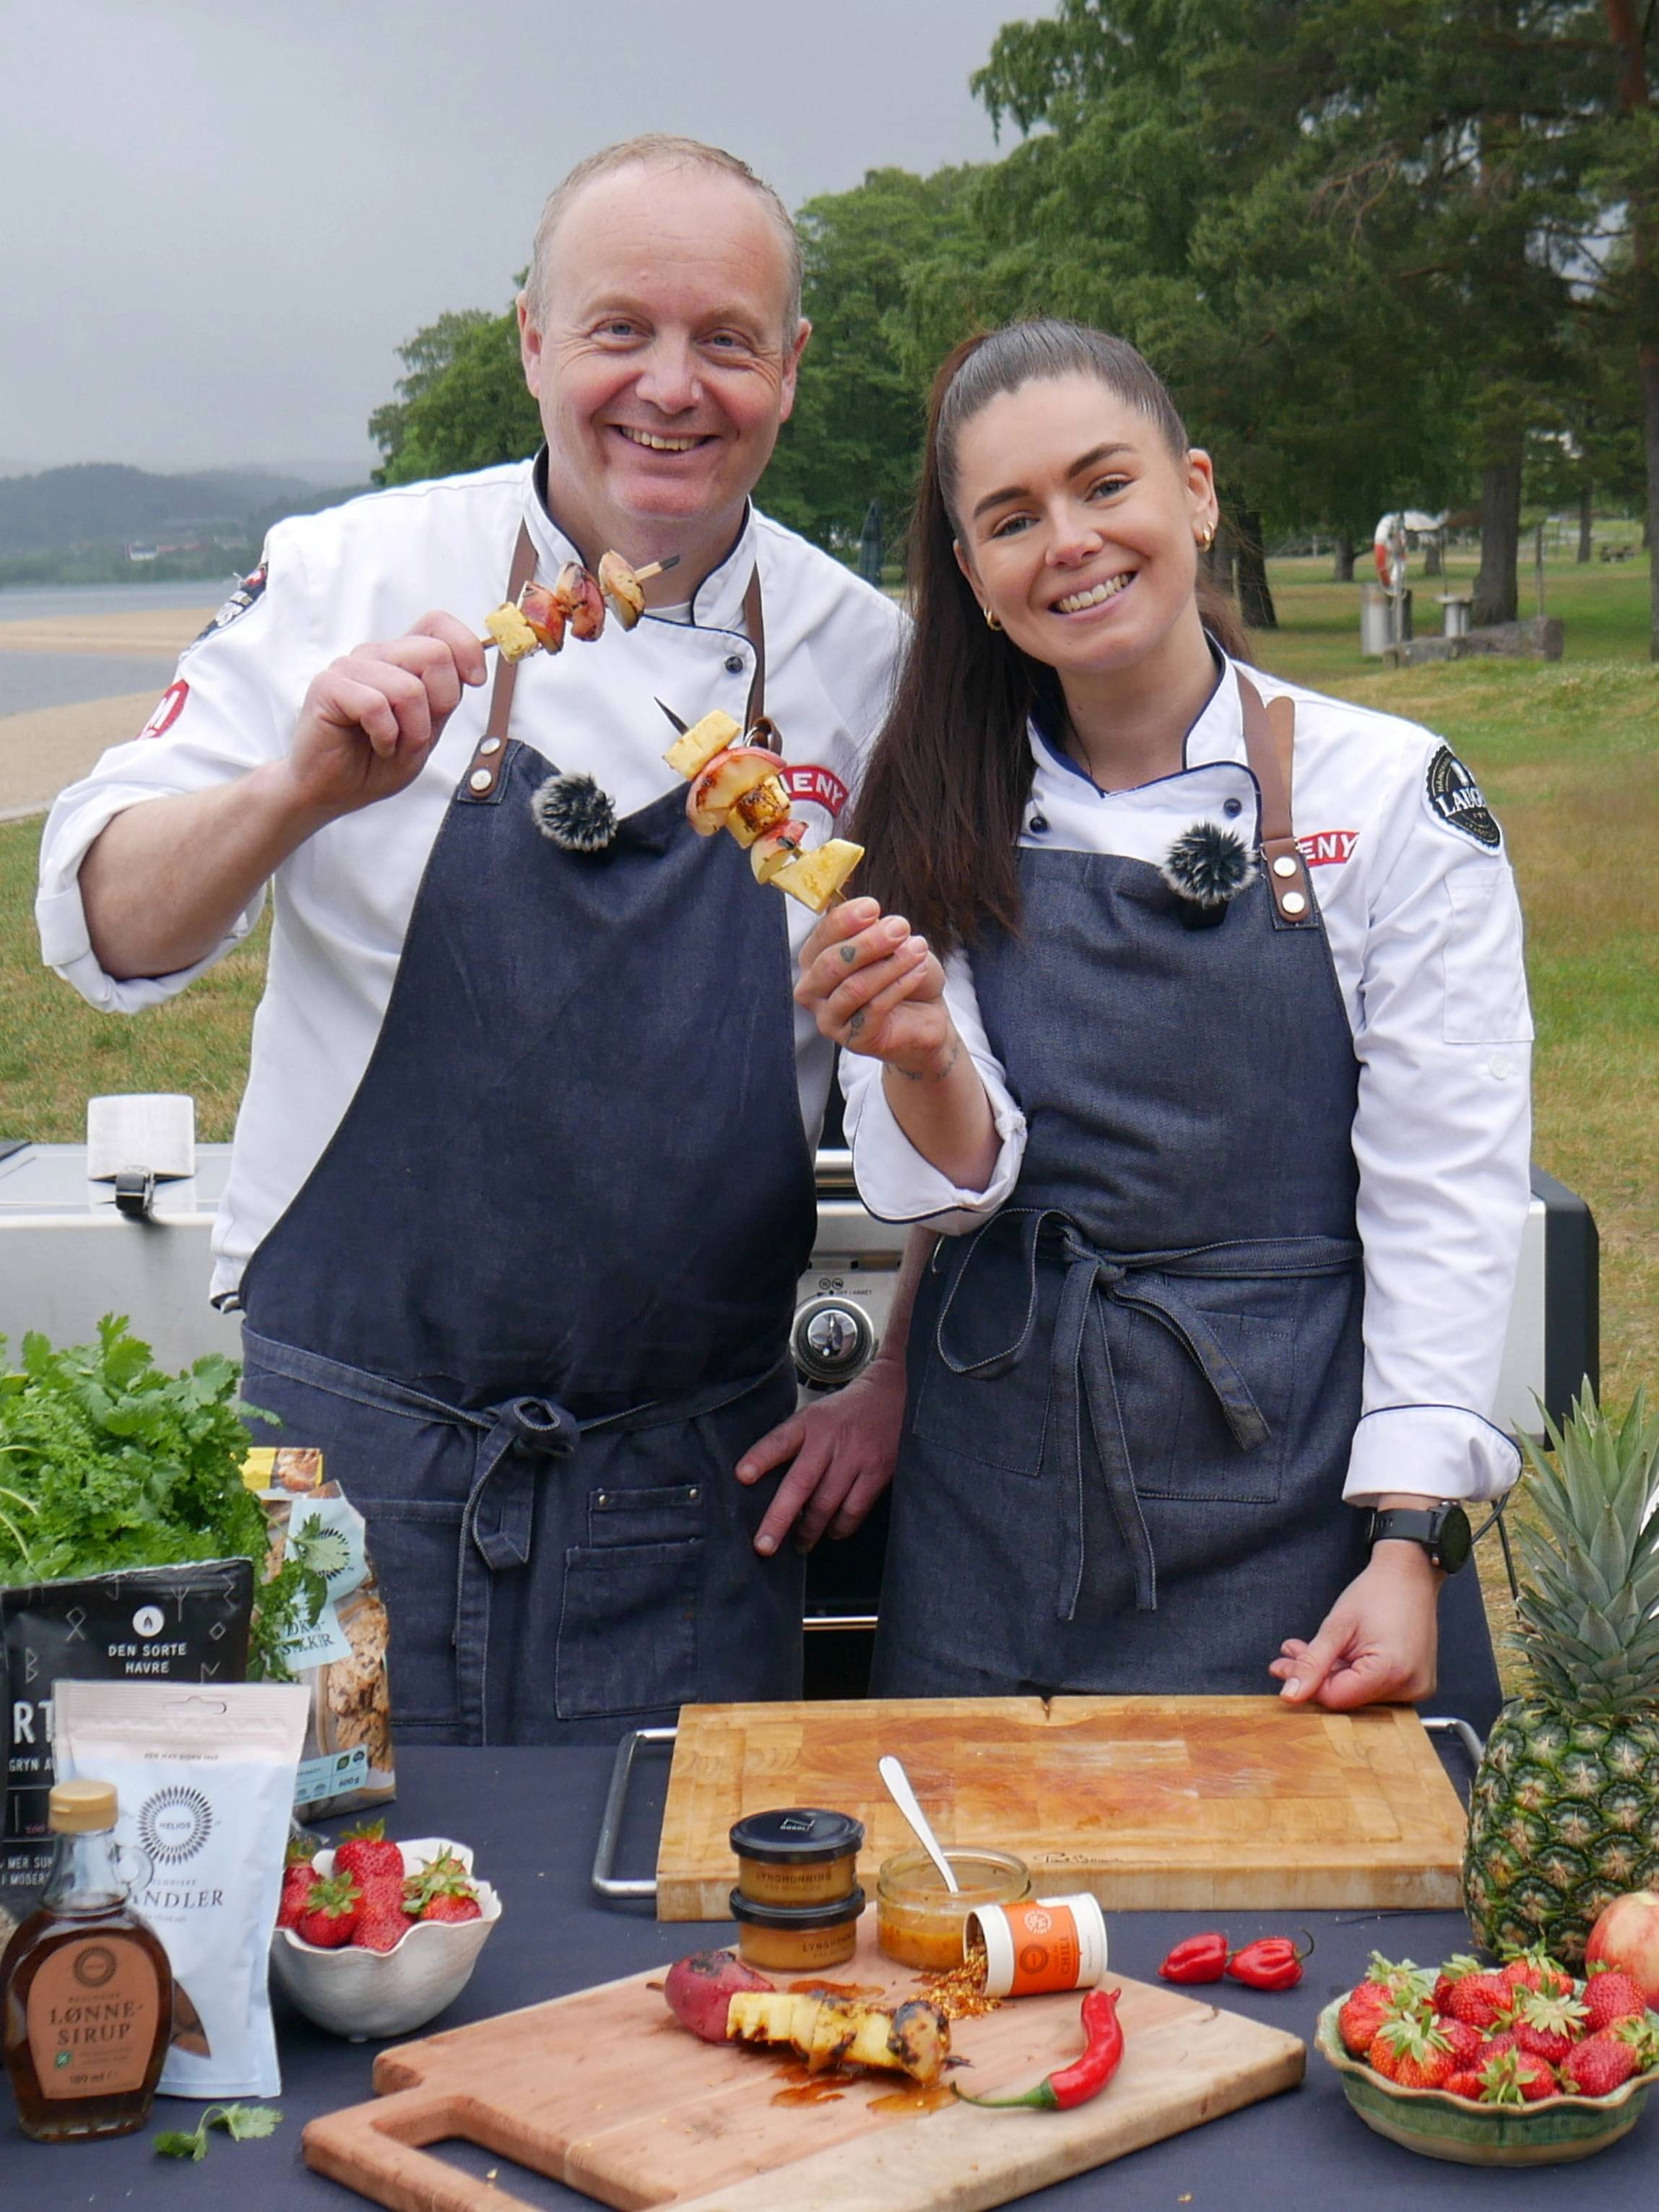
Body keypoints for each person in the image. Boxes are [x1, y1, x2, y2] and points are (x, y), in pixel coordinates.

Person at [35, 136, 915, 1746]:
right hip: (348, 1460)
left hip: (694, 1476)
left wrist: (902, 1360)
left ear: (789, 373)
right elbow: (104, 920)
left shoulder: (872, 663)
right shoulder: (342, 576)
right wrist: (298, 785)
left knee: (671, 1950)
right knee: (348, 1920)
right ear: (530, 338)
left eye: (725, 339)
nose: (671, 386)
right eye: (617, 330)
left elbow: (977, 1048)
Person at [795, 321, 1530, 1723]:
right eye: (1011, 518)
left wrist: (1406, 1535)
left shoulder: (1385, 797)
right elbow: (951, 1182)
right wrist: (925, 1059)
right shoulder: (940, 806)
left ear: (1194, 491)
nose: (1067, 540)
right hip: (996, 1505)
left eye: (1103, 484)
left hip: (1298, 1486)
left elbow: (1447, 1186)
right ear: (973, 577)